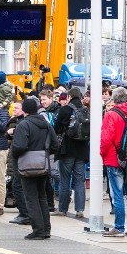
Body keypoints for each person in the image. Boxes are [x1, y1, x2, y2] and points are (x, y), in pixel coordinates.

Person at [11, 97, 58, 239]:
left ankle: (38, 230)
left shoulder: (24, 125)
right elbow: (55, 144)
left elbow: (20, 146)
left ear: (24, 110)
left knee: (31, 198)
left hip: (27, 166)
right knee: (42, 196)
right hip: (43, 164)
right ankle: (46, 229)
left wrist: (14, 152)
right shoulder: (46, 124)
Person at [100, 87, 127, 237]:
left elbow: (106, 139)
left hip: (114, 159)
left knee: (117, 194)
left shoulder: (112, 114)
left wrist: (102, 154)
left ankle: (118, 227)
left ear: (114, 98)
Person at [53, 86, 88, 218]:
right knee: (80, 180)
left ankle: (63, 208)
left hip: (67, 149)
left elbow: (56, 128)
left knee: (65, 180)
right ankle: (80, 210)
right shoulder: (86, 110)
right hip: (82, 150)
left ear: (69, 97)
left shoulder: (65, 110)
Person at [6, 101, 31, 225]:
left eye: (17, 108)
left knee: (17, 186)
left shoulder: (22, 123)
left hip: (21, 160)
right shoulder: (18, 121)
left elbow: (21, 144)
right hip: (26, 160)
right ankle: (25, 213)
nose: (14, 110)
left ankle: (25, 213)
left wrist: (14, 132)